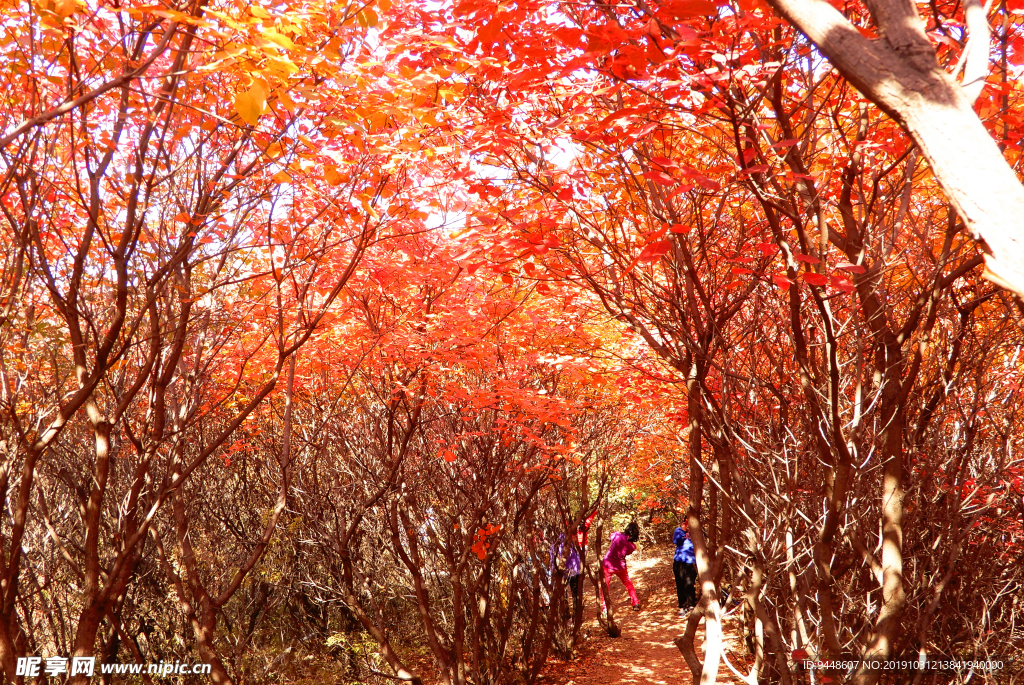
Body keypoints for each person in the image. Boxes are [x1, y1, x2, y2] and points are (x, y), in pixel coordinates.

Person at [599, 521, 640, 612]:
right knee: (628, 583)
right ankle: (635, 603)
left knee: (605, 586)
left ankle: (605, 608)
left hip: (607, 565)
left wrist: (617, 533)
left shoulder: (618, 536)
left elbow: (611, 536)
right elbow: (628, 551)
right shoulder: (632, 546)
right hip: (620, 566)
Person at [565, 508, 598, 616]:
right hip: (583, 548)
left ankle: (577, 582)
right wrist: (597, 508)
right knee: (579, 568)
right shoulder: (585, 525)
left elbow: (566, 520)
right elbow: (590, 517)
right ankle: (579, 582)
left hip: (577, 548)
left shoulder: (572, 527)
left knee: (576, 569)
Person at [673, 524, 697, 618]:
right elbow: (676, 541)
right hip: (679, 561)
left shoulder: (696, 531)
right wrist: (683, 531)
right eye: (685, 523)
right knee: (680, 583)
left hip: (691, 562)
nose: (687, 525)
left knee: (689, 583)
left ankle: (691, 604)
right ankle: (682, 606)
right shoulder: (678, 530)